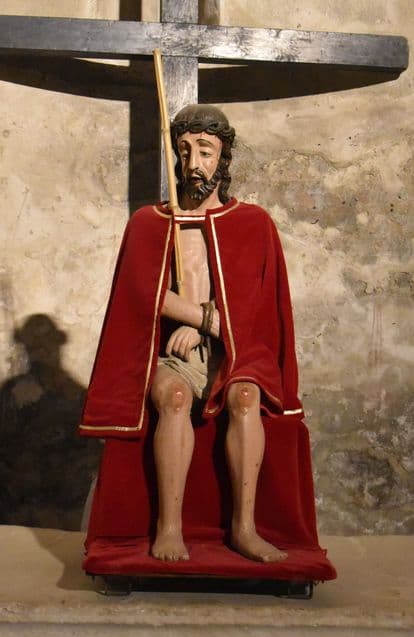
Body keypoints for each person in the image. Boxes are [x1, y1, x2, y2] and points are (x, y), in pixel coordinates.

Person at [80, 104, 305, 565]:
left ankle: (244, 528)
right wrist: (202, 319)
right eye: (184, 151)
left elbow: (258, 297)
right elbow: (144, 293)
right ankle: (169, 527)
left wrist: (215, 321)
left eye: (205, 151)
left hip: (237, 352)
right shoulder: (151, 222)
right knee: (175, 398)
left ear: (223, 158)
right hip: (173, 356)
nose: (193, 163)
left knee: (246, 398)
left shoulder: (253, 222)